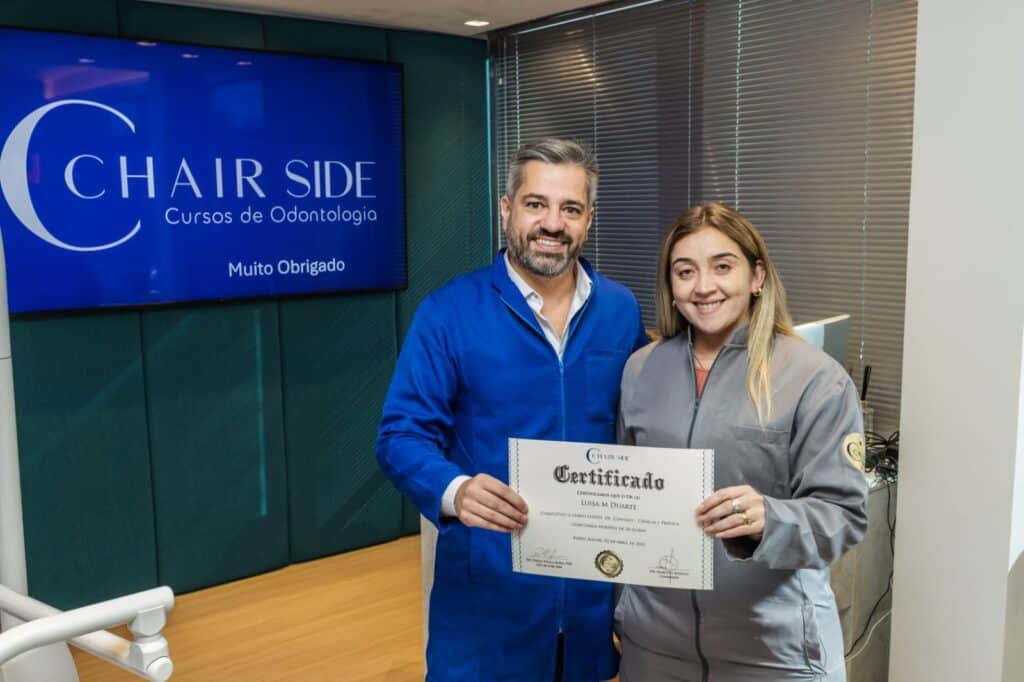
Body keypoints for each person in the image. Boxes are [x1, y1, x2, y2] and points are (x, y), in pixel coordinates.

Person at [376, 138, 647, 681]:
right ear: (506, 210)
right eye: (535, 204)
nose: (552, 223)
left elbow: (639, 423)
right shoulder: (449, 312)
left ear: (589, 219)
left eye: (570, 208)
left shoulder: (620, 311)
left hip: (589, 601)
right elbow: (400, 436)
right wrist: (456, 490)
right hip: (488, 603)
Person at [615, 202, 868, 681]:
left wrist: (769, 518)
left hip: (773, 650)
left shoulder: (815, 379)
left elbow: (845, 516)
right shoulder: (640, 371)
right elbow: (623, 499)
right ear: (670, 286)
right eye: (685, 271)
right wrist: (622, 608)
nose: (703, 286)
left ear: (757, 276)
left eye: (722, 267)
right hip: (654, 648)